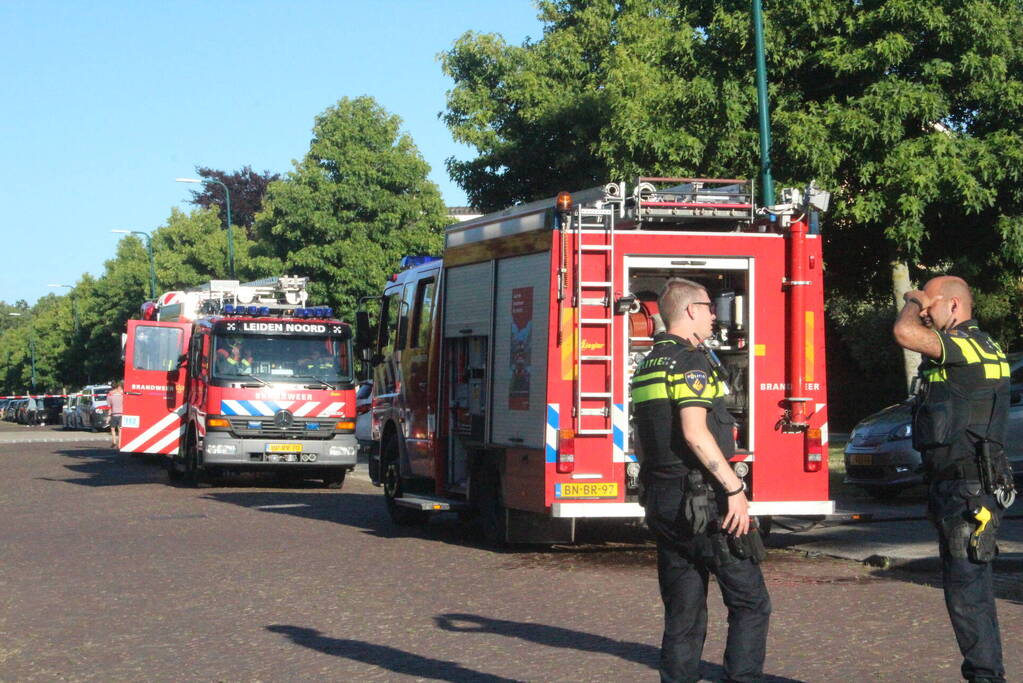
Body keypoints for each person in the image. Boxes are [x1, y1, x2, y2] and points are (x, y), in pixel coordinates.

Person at [631, 277, 771, 683]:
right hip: (703, 504)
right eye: (710, 307)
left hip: (664, 502)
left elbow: (644, 438)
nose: (715, 315)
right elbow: (695, 432)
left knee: (683, 613)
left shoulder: (646, 366)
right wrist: (734, 488)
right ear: (691, 311)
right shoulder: (692, 362)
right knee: (750, 603)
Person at [893, 275, 1011, 683]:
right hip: (972, 485)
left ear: (955, 306)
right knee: (973, 592)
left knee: (967, 595)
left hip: (965, 491)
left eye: (932, 305)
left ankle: (985, 677)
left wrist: (912, 298)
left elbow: (904, 332)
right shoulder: (986, 346)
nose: (926, 313)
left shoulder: (962, 345)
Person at [107, 381, 124, 449]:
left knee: (112, 429)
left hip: (114, 414)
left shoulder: (109, 396)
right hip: (121, 414)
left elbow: (109, 408)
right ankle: (119, 444)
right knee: (120, 430)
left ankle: (114, 441)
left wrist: (108, 416)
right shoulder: (122, 395)